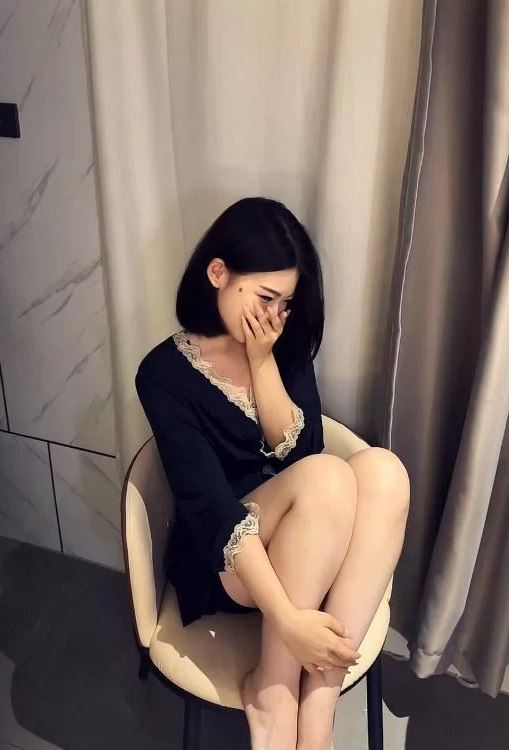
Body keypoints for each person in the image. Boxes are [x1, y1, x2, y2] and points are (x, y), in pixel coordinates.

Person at [136, 197, 410, 750]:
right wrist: (288, 620)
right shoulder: (163, 373)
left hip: (310, 535)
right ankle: (273, 692)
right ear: (218, 273)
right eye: (265, 298)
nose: (275, 315)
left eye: (285, 302)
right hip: (228, 559)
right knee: (328, 479)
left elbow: (305, 451)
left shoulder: (280, 341)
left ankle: (319, 706)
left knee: (385, 472)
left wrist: (262, 362)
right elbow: (211, 511)